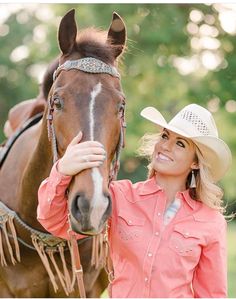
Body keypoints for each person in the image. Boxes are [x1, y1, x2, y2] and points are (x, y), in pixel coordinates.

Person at [37, 103, 232, 298]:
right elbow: (56, 222)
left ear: (195, 162)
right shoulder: (120, 195)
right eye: (165, 136)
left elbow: (212, 294)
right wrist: (62, 171)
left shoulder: (210, 221)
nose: (165, 146)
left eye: (180, 143)